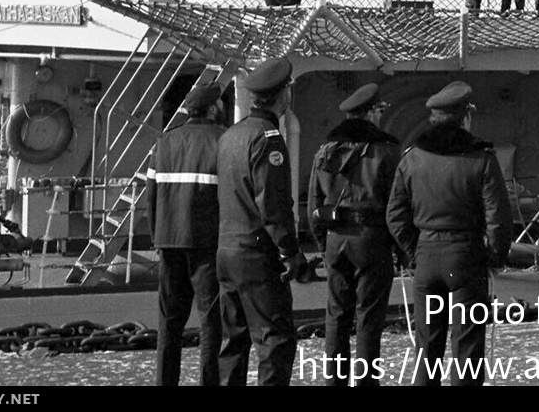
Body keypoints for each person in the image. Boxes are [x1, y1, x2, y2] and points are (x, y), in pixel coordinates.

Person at [386, 80, 511, 387]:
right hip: (466, 256)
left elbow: (395, 215)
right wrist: (494, 255)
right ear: (465, 116)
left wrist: (415, 251)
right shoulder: (481, 157)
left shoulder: (412, 157)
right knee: (467, 348)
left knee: (427, 347)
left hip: (427, 255)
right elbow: (498, 215)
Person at [216, 56, 303, 386]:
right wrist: (290, 252)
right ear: (284, 95)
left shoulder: (230, 136)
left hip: (226, 250)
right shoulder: (268, 139)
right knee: (275, 342)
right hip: (256, 255)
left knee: (232, 342)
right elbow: (274, 207)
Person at [309, 82, 401, 388]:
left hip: (336, 238)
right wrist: (401, 249)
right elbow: (396, 205)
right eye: (379, 110)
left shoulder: (325, 151)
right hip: (371, 238)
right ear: (371, 112)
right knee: (369, 320)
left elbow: (314, 205)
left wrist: (324, 245)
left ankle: (333, 382)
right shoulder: (386, 150)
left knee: (336, 316)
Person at [147, 82, 225, 387]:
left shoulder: (164, 142)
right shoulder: (222, 140)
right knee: (211, 323)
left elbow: (151, 196)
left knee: (169, 323)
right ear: (213, 108)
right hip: (207, 243)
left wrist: (157, 237)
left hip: (169, 242)